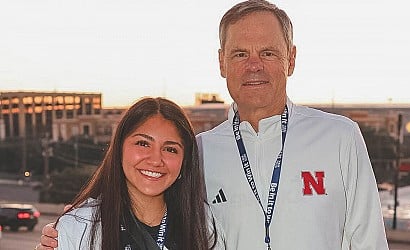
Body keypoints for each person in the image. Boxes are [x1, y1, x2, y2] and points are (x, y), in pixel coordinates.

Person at [39, 0, 388, 249]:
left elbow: (368, 240)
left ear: (291, 59)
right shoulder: (196, 152)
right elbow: (145, 212)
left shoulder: (339, 137)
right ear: (222, 62)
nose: (254, 66)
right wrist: (73, 233)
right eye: (240, 54)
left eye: (268, 52)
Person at [37, 97, 222, 250]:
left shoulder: (203, 224)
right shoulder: (77, 227)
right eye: (143, 144)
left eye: (170, 149)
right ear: (119, 149)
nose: (156, 159)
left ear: (185, 162)